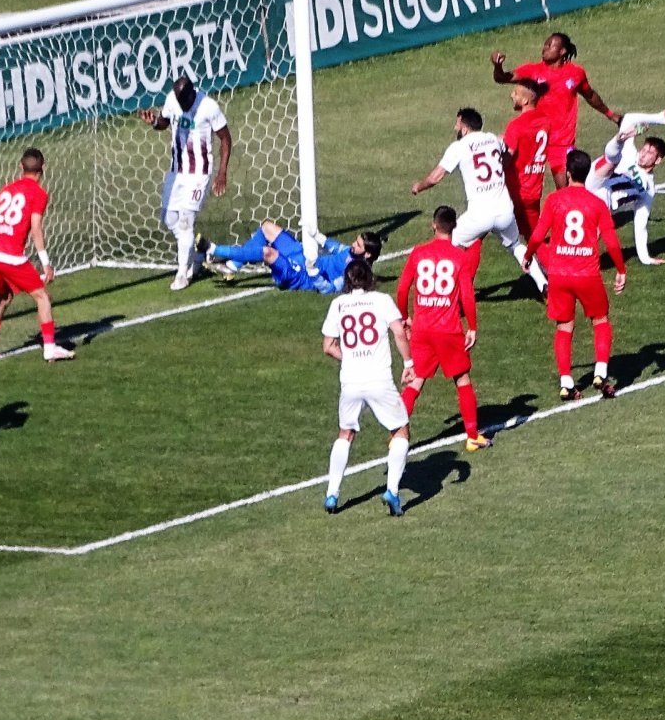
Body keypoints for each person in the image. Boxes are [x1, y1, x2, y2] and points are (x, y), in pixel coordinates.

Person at [522, 149, 627, 401]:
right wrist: (621, 270)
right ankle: (600, 372)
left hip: (559, 275)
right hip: (587, 274)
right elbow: (611, 241)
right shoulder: (596, 204)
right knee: (600, 320)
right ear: (587, 172)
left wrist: (527, 256)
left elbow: (538, 234)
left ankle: (566, 383)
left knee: (564, 327)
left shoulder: (554, 201)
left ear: (568, 173)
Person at [410, 107, 547, 293]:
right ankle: (542, 283)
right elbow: (505, 147)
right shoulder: (492, 139)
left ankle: (442, 291)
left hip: (480, 214)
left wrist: (418, 186)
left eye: (457, 124)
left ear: (465, 127)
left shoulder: (459, 147)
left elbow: (435, 177)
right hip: (504, 210)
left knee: (445, 243)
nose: (455, 128)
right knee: (515, 246)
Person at [396, 205, 493, 453]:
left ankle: (398, 433)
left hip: (422, 329)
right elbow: (468, 296)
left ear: (433, 225)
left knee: (415, 381)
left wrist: (405, 318)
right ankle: (472, 436)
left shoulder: (418, 253)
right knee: (462, 380)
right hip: (449, 331)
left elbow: (403, 288)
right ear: (455, 227)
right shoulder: (459, 257)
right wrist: (472, 325)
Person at [321, 258, 414, 517]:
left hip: (350, 381)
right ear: (370, 277)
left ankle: (332, 493)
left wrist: (350, 357)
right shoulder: (381, 300)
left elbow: (328, 346)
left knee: (345, 433)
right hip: (379, 379)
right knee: (400, 431)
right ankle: (393, 491)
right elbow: (398, 331)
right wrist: (408, 362)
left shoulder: (337, 304)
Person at [0, 147, 74, 362]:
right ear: (43, 169)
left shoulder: (7, 189)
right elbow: (36, 229)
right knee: (43, 297)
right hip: (10, 256)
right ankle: (50, 348)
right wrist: (46, 264)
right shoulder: (39, 194)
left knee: (4, 298)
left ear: (21, 167)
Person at [491, 32, 621, 188]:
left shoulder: (576, 73)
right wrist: (497, 66)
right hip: (535, 138)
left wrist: (611, 115)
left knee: (566, 188)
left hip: (561, 142)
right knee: (520, 185)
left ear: (562, 51)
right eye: (545, 44)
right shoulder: (533, 70)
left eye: (550, 45)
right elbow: (502, 78)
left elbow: (590, 95)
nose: (544, 48)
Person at [139, 75, 232, 291]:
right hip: (177, 171)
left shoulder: (208, 106)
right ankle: (198, 255)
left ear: (192, 93)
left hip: (199, 173)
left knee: (185, 221)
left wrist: (222, 173)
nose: (181, 105)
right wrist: (153, 121)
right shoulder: (172, 99)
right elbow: (163, 122)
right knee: (169, 217)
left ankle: (183, 273)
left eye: (185, 101)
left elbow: (225, 138)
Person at [585, 109, 665, 266]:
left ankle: (569, 263)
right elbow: (628, 119)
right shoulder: (630, 154)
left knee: (588, 229)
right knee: (612, 157)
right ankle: (619, 139)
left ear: (658, 160)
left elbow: (641, 223)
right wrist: (659, 118)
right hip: (594, 184)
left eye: (649, 153)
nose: (643, 154)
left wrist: (645, 258)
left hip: (602, 202)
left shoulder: (648, 188)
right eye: (644, 149)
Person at [197, 221, 384, 294]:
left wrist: (314, 274)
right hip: (302, 253)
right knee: (267, 228)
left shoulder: (355, 273)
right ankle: (232, 267)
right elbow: (331, 245)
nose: (353, 244)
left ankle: (214, 249)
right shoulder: (348, 250)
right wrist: (315, 234)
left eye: (358, 245)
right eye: (356, 241)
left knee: (267, 252)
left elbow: (329, 289)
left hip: (301, 274)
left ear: (367, 254)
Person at [501, 77, 551, 242]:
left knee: (482, 226)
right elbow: (529, 140)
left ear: (525, 100)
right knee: (533, 238)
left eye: (515, 93)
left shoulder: (516, 125)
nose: (511, 95)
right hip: (534, 188)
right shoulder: (546, 121)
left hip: (515, 191)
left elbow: (507, 159)